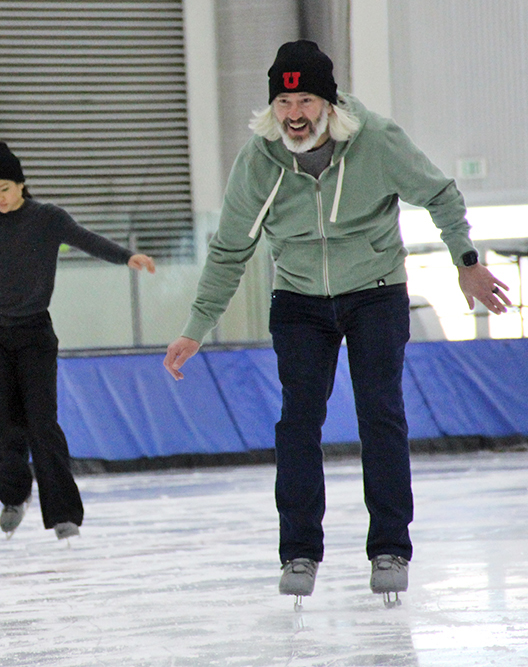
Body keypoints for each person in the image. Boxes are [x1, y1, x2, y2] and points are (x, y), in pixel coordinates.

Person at [162, 40, 511, 607]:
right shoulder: (259, 159)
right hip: (299, 299)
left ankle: (389, 547)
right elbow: (230, 249)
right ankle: (299, 551)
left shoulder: (376, 141)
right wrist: (195, 327)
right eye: (282, 101)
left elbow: (441, 196)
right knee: (298, 421)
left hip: (375, 292)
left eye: (303, 100)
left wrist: (466, 261)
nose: (293, 114)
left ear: (328, 102)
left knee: (381, 414)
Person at [0, 142, 156, 541]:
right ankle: (14, 494)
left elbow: (86, 239)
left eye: (4, 189)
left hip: (33, 334)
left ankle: (64, 514)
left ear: (21, 183)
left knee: (42, 424)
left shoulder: (47, 218)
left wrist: (127, 257)